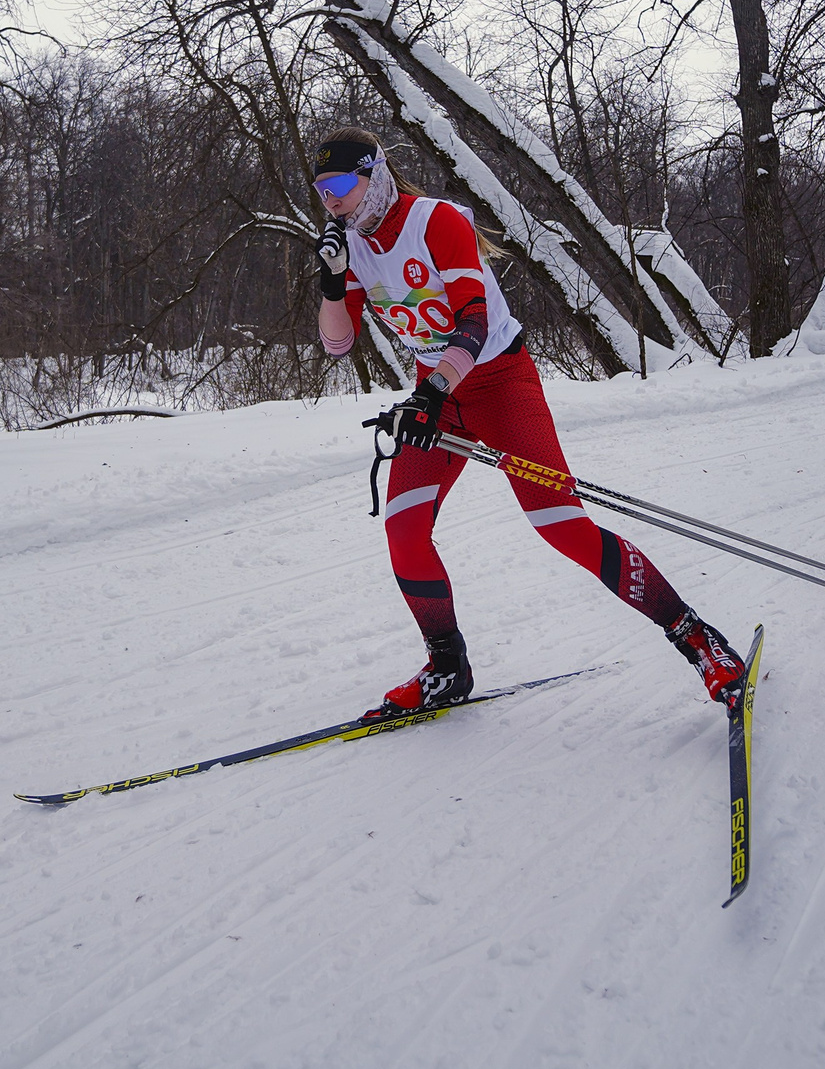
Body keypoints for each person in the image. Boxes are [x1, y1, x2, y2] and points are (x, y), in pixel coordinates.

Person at [308, 127, 750, 719]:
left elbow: (473, 321)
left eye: (340, 184)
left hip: (498, 380)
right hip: (438, 394)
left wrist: (435, 390)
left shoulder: (436, 222)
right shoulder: (350, 248)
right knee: (404, 531)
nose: (331, 199)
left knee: (563, 525)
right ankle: (447, 667)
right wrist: (333, 284)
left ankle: (699, 640)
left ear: (375, 174)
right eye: (321, 189)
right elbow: (338, 345)